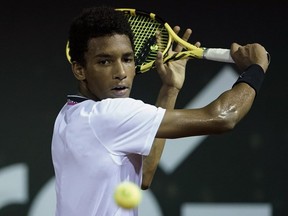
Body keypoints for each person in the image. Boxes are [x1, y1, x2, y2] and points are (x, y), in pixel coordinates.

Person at [51, 5, 270, 216]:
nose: (121, 72)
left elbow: (144, 175)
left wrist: (170, 89)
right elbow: (223, 117)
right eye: (105, 61)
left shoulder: (69, 114)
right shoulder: (109, 114)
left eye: (127, 59)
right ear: (79, 69)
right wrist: (256, 69)